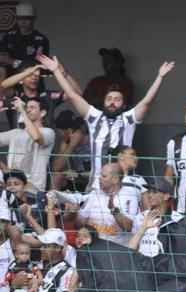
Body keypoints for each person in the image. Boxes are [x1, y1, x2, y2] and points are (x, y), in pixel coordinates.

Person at [37, 54, 173, 190]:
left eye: (117, 99)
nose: (112, 102)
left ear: (124, 105)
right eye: (109, 99)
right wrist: (56, 71)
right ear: (104, 102)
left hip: (123, 184)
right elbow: (73, 96)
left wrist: (159, 77)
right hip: (96, 184)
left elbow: (147, 101)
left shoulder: (128, 119)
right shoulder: (94, 117)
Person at [0, 95, 54, 191]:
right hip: (12, 185)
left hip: (33, 188)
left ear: (42, 113)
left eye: (32, 107)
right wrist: (4, 169)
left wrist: (22, 112)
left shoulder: (48, 132)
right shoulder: (15, 133)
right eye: (27, 107)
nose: (28, 110)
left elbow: (36, 137)